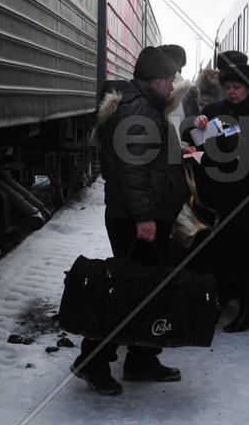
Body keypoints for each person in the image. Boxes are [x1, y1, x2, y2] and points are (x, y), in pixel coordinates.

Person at [71, 46, 188, 395]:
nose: (171, 88)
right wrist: (145, 217)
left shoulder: (140, 104)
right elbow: (132, 168)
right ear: (157, 80)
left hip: (142, 214)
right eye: (169, 81)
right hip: (137, 218)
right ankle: (93, 359)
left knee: (145, 289)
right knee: (129, 292)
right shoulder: (138, 108)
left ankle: (142, 359)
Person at [184, 63, 249, 333]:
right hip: (219, 194)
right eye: (228, 88)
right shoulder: (212, 110)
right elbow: (194, 137)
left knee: (247, 253)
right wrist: (195, 126)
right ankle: (220, 301)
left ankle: (248, 310)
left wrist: (215, 147)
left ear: (248, 88)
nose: (232, 92)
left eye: (237, 88)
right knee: (223, 251)